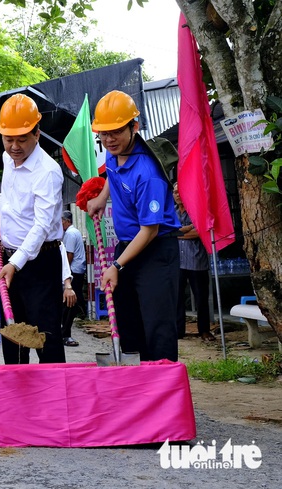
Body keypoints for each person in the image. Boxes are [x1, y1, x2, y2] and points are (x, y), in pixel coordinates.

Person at [86, 90, 181, 362]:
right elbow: (112, 175)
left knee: (156, 325)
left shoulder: (148, 173)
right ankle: (134, 383)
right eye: (103, 133)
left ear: (134, 127)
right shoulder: (115, 155)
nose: (109, 139)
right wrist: (101, 198)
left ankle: (161, 388)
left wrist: (116, 267)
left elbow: (149, 230)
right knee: (126, 319)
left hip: (155, 250)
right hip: (127, 247)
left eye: (115, 132)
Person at [0, 94, 66, 364]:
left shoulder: (48, 171)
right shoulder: (8, 159)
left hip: (40, 260)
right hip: (10, 260)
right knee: (13, 333)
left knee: (45, 336)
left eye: (22, 139)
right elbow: (7, 192)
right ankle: (17, 398)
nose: (15, 147)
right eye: (9, 139)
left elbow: (42, 225)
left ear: (37, 133)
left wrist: (16, 263)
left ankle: (54, 399)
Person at [173, 182, 214, 342]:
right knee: (177, 298)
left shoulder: (196, 210)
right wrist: (186, 229)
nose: (177, 194)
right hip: (177, 262)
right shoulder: (172, 212)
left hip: (197, 261)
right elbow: (166, 231)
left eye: (179, 191)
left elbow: (201, 232)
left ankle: (204, 331)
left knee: (201, 298)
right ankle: (178, 331)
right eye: (174, 192)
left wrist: (177, 233)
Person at [60, 210, 86, 347]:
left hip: (73, 271)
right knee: (71, 303)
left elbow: (69, 255)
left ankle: (65, 333)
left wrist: (66, 274)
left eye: (61, 221)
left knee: (70, 303)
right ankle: (65, 331)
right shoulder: (74, 232)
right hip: (78, 270)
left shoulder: (70, 234)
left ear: (67, 221)